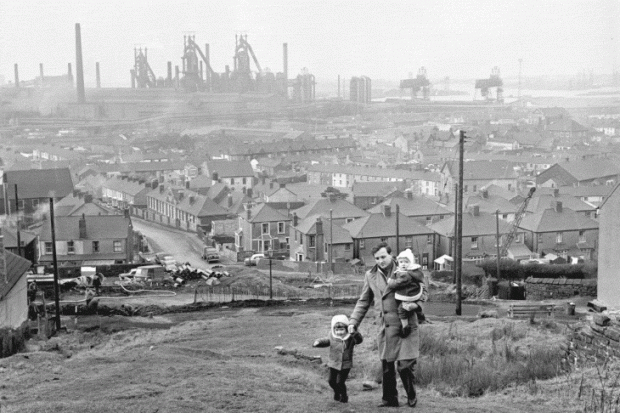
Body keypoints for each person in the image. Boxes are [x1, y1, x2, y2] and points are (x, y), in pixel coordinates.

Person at [349, 242, 419, 408]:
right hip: (385, 325)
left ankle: (411, 393)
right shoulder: (370, 275)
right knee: (387, 366)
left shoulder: (405, 269)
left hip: (405, 324)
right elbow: (364, 301)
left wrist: (416, 306)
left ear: (391, 255)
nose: (380, 261)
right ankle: (389, 399)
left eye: (383, 257)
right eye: (377, 258)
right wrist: (353, 322)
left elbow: (422, 292)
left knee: (404, 366)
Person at [313, 314, 363, 404]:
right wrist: (318, 342)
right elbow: (326, 341)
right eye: (337, 330)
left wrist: (355, 333)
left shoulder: (351, 338)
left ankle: (344, 396)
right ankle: (337, 392)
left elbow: (359, 340)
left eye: (341, 329)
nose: (339, 332)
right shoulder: (332, 336)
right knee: (331, 381)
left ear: (346, 329)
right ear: (333, 329)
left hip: (345, 364)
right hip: (333, 362)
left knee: (340, 382)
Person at [389, 249, 428, 338]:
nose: (403, 264)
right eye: (401, 261)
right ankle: (418, 318)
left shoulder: (407, 274)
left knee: (402, 309)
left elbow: (396, 283)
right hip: (389, 322)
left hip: (409, 295)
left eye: (406, 262)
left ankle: (406, 327)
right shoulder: (400, 271)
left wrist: (418, 305)